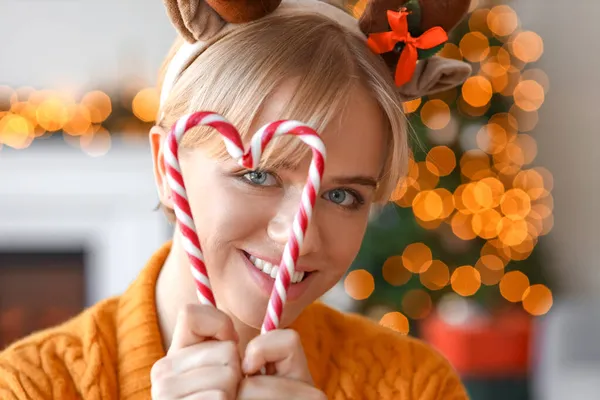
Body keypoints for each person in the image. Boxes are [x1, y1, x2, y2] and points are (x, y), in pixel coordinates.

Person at [0, 0, 473, 398]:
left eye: (343, 194)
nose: (298, 236)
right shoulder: (30, 385)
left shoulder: (413, 384)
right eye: (258, 174)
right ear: (169, 168)